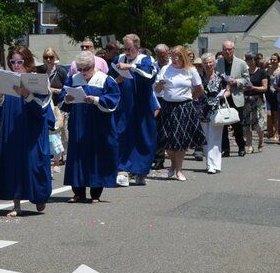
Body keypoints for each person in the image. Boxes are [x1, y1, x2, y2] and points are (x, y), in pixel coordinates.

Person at [0, 46, 54, 216]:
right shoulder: (7, 79)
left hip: (33, 130)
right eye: (13, 62)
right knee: (13, 163)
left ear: (28, 62)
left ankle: (40, 196)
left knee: (34, 164)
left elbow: (43, 108)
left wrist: (27, 95)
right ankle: (16, 204)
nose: (16, 65)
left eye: (20, 61)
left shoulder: (38, 79)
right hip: (12, 129)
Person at [59, 51, 120, 203]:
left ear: (93, 65)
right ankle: (78, 192)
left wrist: (96, 99)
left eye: (85, 69)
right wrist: (67, 98)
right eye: (79, 69)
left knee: (97, 156)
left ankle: (95, 193)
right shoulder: (74, 79)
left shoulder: (105, 79)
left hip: (99, 125)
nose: (82, 72)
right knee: (77, 156)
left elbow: (114, 100)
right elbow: (62, 97)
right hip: (78, 124)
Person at [112, 34, 158, 187]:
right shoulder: (119, 59)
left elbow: (150, 75)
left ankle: (140, 171)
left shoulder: (146, 59)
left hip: (142, 106)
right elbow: (111, 78)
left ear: (138, 47)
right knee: (122, 136)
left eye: (129, 49)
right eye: (124, 49)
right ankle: (122, 170)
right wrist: (117, 80)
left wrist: (131, 67)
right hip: (124, 106)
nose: (127, 52)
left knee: (144, 138)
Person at [154, 45, 205, 181]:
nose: (174, 59)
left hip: (184, 106)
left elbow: (200, 89)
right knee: (167, 139)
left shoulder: (190, 70)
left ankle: (178, 170)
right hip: (167, 106)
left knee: (181, 140)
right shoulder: (165, 69)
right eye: (172, 57)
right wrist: (160, 84)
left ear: (183, 57)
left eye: (177, 57)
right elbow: (157, 90)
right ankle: (173, 165)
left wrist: (189, 97)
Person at [215, 40, 250, 157]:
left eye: (229, 49)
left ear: (233, 50)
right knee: (223, 124)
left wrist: (236, 81)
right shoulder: (218, 63)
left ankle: (241, 146)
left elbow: (246, 80)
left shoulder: (241, 63)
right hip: (222, 96)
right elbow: (214, 78)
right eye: (225, 49)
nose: (227, 51)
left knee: (237, 124)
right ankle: (225, 149)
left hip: (236, 96)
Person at [198, 53, 230, 174]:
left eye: (210, 62)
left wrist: (221, 96)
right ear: (203, 65)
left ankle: (215, 164)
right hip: (203, 110)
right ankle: (209, 163)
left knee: (216, 138)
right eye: (206, 62)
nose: (208, 64)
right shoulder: (199, 78)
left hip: (217, 110)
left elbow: (228, 91)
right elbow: (195, 91)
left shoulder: (221, 77)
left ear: (214, 63)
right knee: (206, 138)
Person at [243, 52, 268, 153]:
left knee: (259, 124)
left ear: (255, 61)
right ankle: (249, 145)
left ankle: (261, 141)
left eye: (251, 59)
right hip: (246, 99)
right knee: (247, 123)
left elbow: (265, 87)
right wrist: (244, 88)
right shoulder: (245, 72)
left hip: (258, 100)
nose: (249, 61)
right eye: (247, 59)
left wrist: (253, 87)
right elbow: (241, 85)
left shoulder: (262, 72)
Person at [268, 53, 280, 143]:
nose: (272, 61)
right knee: (269, 114)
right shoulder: (267, 70)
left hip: (277, 93)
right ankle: (270, 131)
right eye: (271, 59)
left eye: (274, 59)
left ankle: (276, 132)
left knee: (276, 114)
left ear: (278, 61)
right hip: (268, 93)